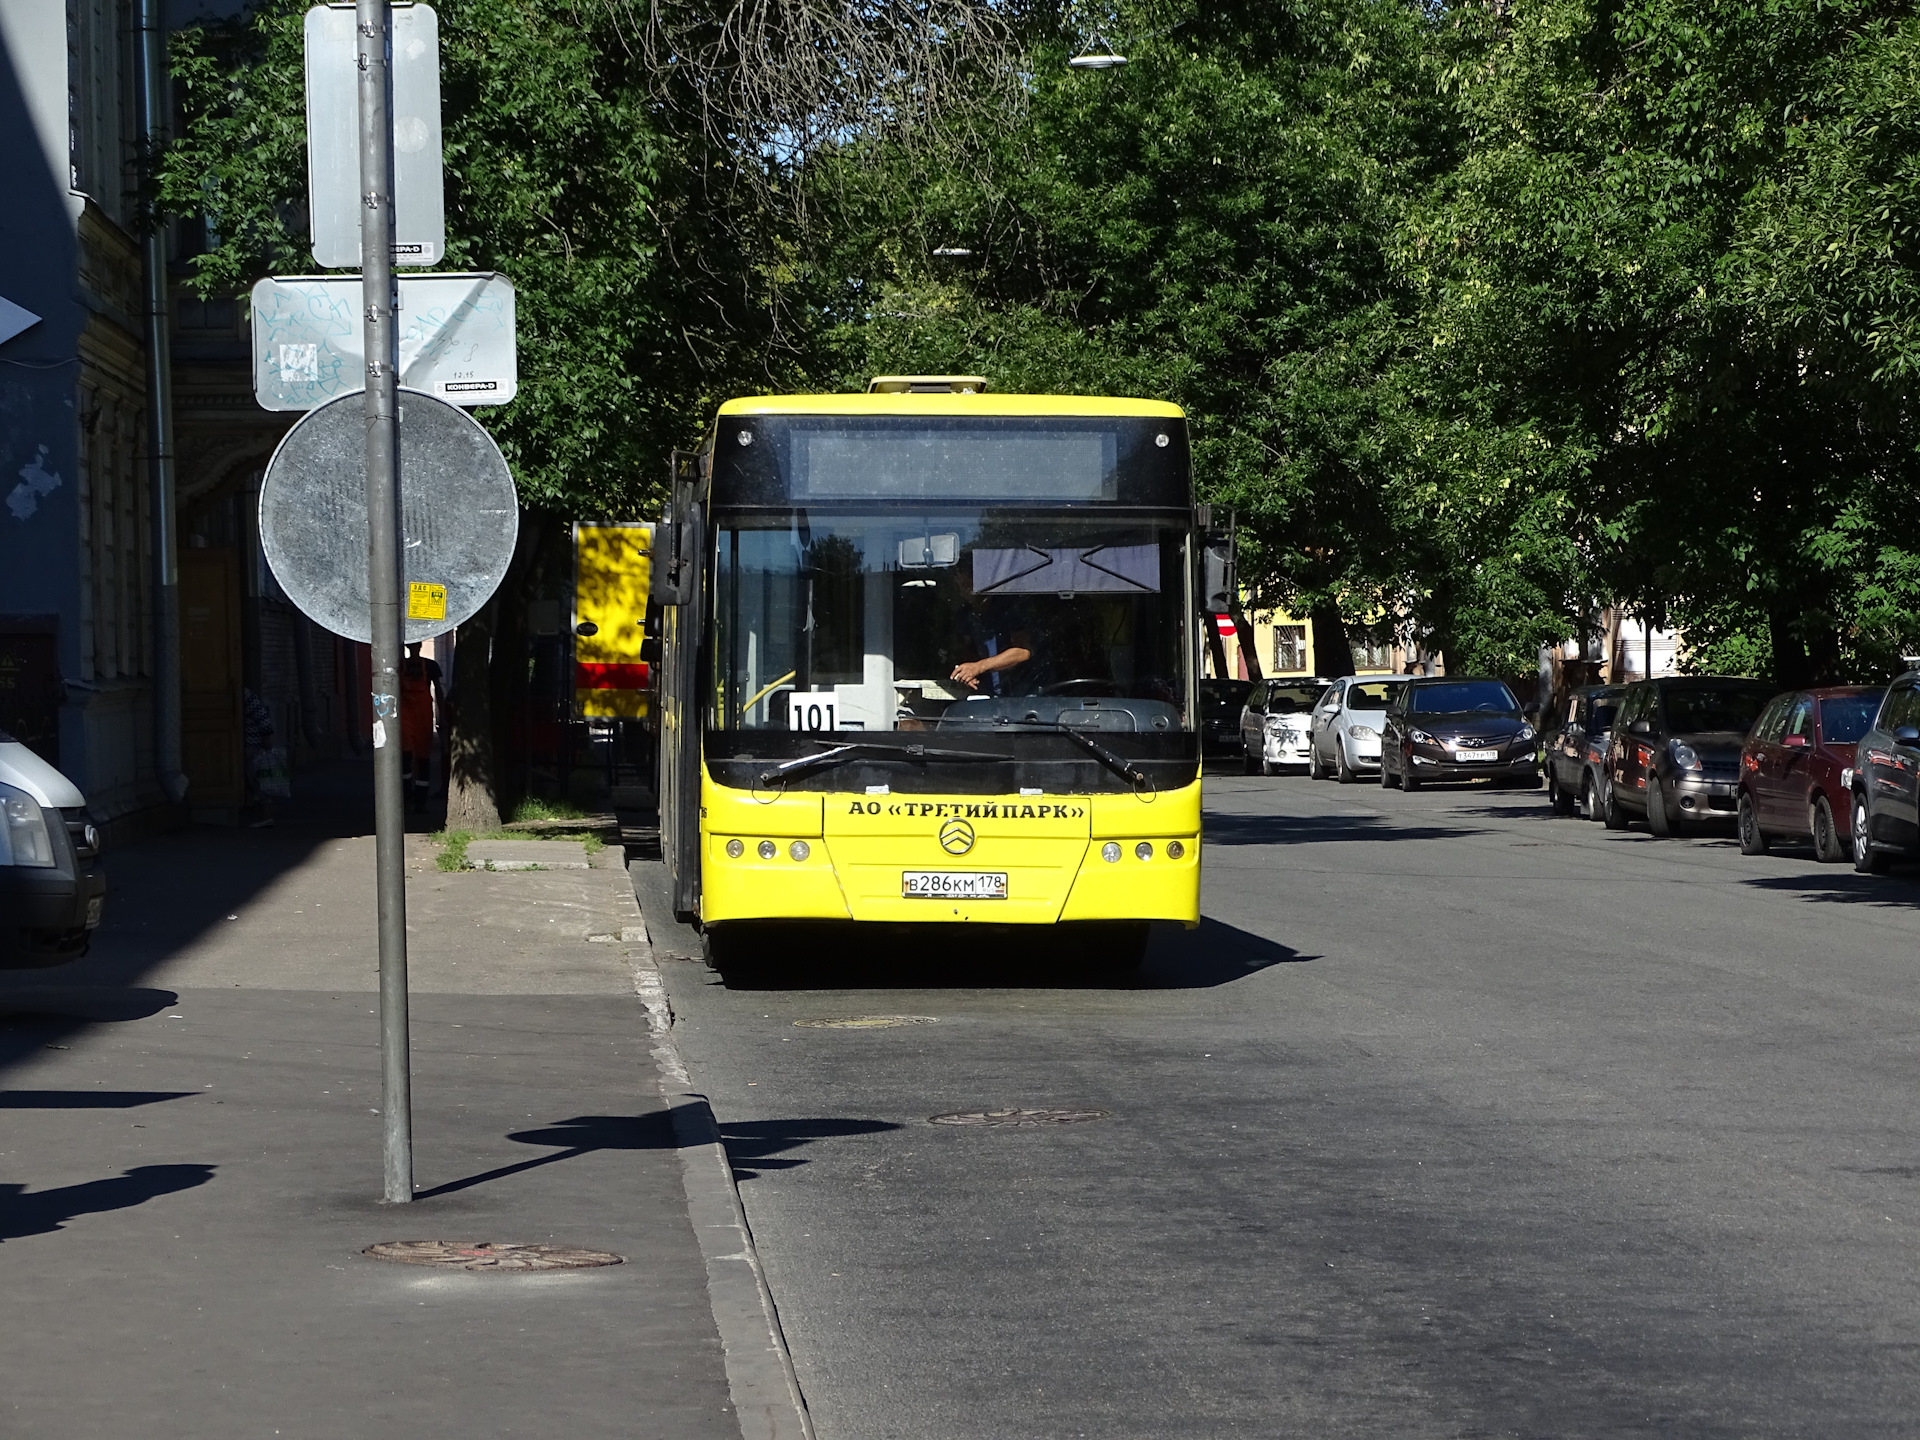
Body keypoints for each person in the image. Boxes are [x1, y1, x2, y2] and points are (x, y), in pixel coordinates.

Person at [399, 642, 444, 806]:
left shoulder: (430, 666)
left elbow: (438, 690)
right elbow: (438, 691)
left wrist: (442, 714)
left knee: (422, 757)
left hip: (420, 716)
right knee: (408, 757)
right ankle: (411, 796)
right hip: (407, 716)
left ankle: (418, 798)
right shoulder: (399, 665)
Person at [241, 687, 276, 828]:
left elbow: (261, 716)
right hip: (252, 743)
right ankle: (262, 815)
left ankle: (266, 816)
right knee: (255, 780)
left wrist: (267, 736)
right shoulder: (246, 695)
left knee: (257, 780)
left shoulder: (245, 695)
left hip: (252, 744)